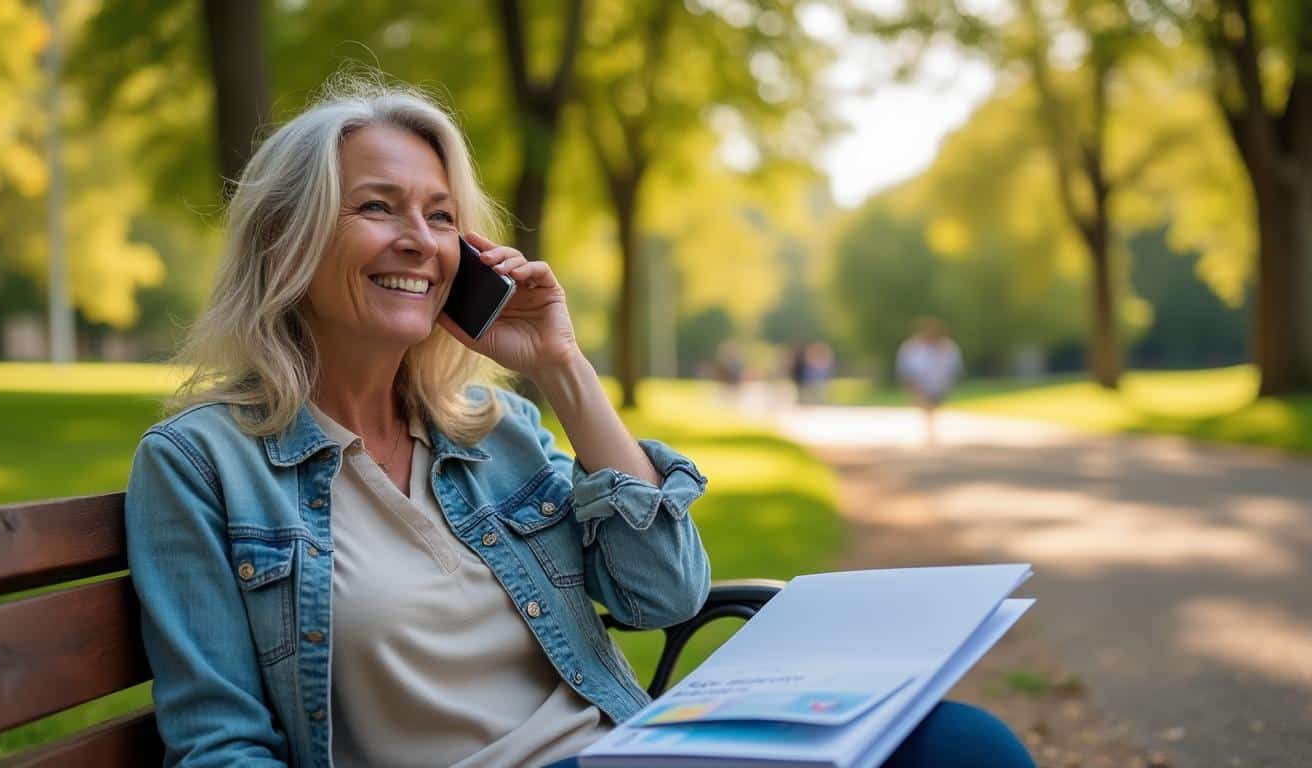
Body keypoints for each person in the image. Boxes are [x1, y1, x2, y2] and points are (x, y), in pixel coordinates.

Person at [125, 76, 1033, 768]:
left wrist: (563, 366)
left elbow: (663, 595)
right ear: (285, 237)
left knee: (965, 747)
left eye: (441, 217)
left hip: (626, 750)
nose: (421, 241)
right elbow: (220, 746)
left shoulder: (495, 433)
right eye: (376, 206)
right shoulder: (203, 464)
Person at [896, 317, 963, 445]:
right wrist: (912, 387)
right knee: (927, 406)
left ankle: (931, 430)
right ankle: (930, 432)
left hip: (939, 384)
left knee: (933, 407)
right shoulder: (912, 348)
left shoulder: (948, 348)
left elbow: (954, 368)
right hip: (920, 384)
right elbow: (907, 369)